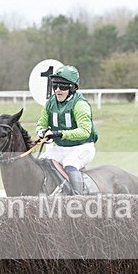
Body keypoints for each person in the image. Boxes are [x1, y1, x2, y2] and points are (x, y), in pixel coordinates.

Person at [34, 65, 97, 195]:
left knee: (70, 162)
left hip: (83, 146)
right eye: (55, 86)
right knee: (40, 162)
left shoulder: (80, 104)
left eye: (62, 87)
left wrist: (60, 133)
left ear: (72, 88)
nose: (58, 90)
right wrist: (41, 131)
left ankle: (77, 199)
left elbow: (85, 131)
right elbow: (41, 123)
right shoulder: (50, 103)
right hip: (61, 148)